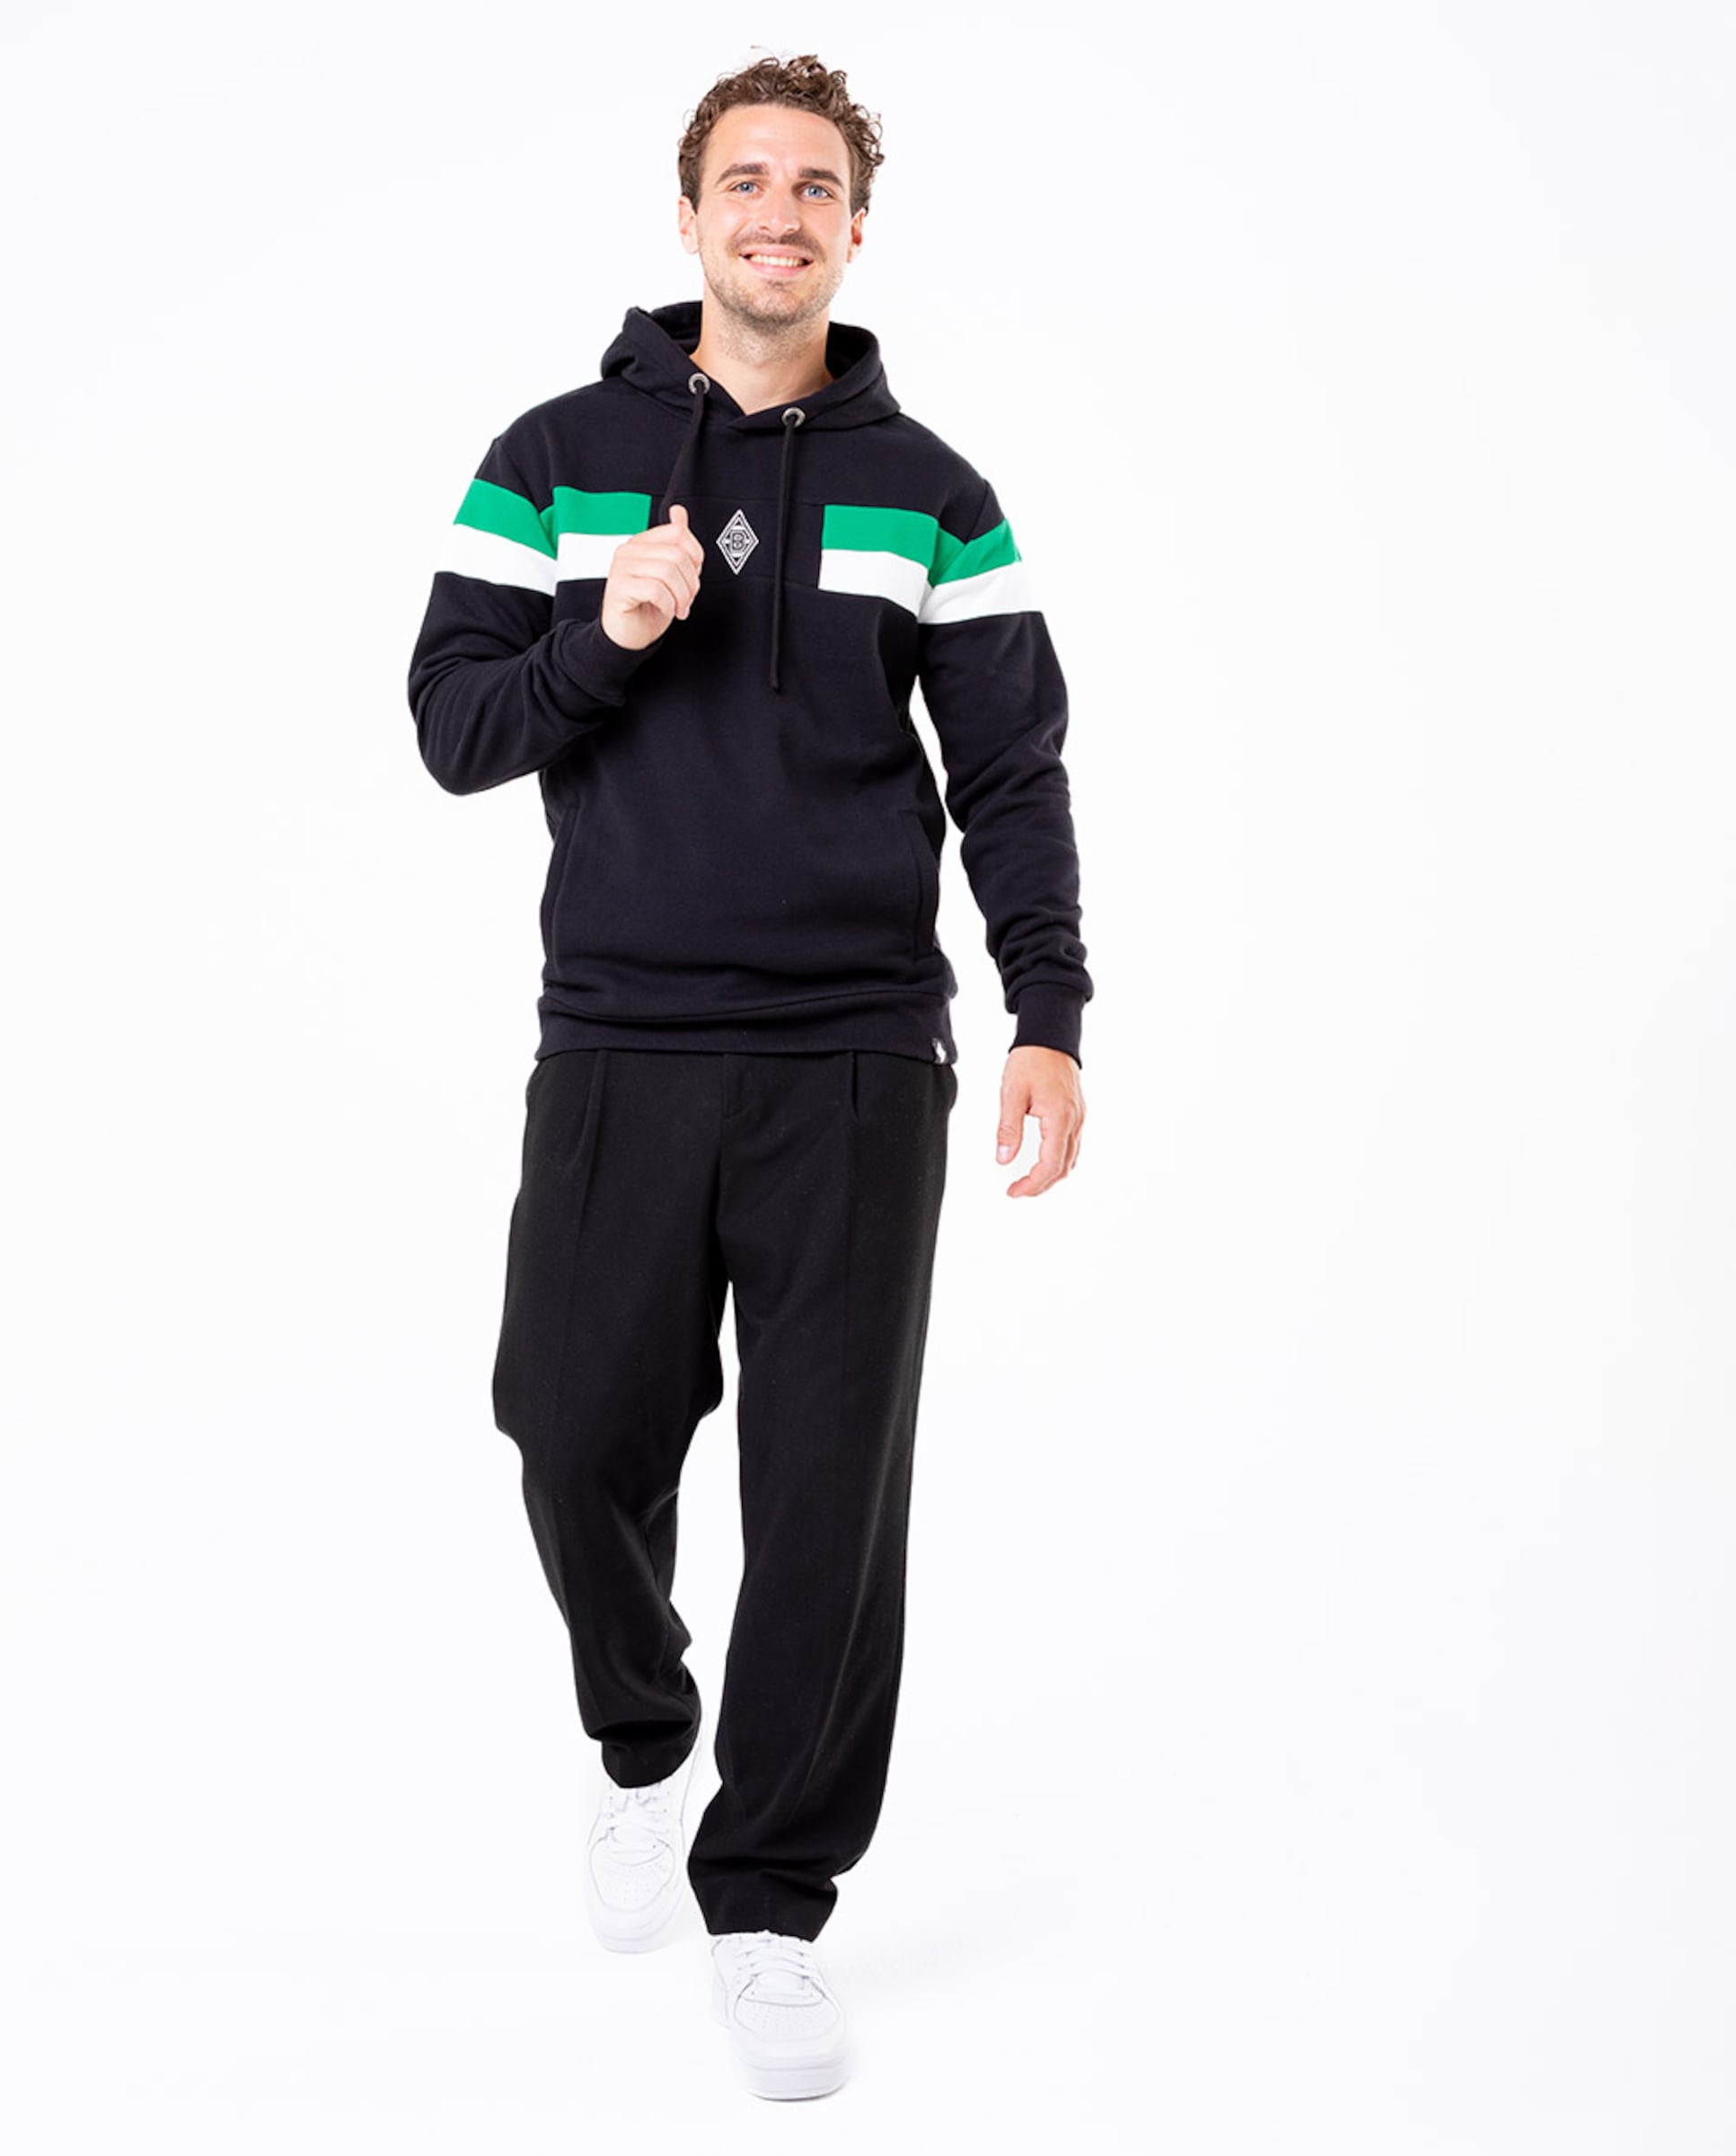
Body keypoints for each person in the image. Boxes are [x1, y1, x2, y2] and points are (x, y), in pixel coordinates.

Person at [406, 51, 1091, 2101]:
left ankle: (772, 1904)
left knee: (825, 1503)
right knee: (564, 1422)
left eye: (813, 186)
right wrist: (606, 635)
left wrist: (1049, 1012)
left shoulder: (936, 492)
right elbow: (453, 729)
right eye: (744, 181)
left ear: (855, 229)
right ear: (690, 216)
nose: (777, 213)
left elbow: (1013, 771)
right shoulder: (553, 456)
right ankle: (643, 1735)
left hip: (857, 1055)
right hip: (620, 1035)